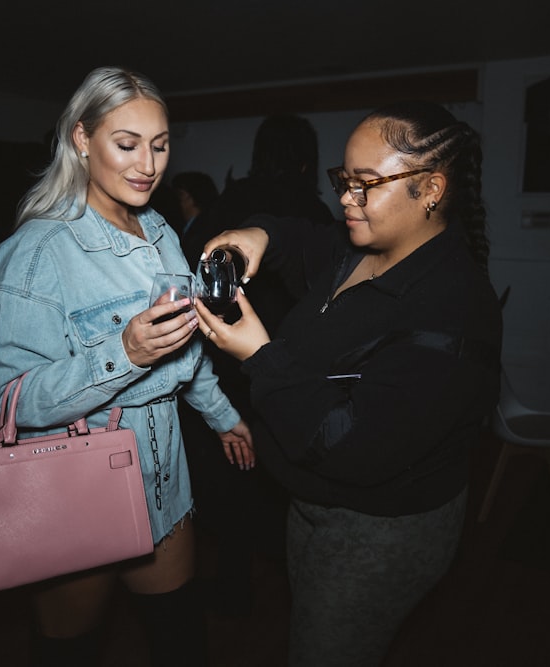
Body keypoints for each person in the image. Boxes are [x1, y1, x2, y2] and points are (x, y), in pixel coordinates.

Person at [192, 101, 503, 666]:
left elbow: (354, 446)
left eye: (366, 184)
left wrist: (260, 357)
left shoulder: (454, 310)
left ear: (431, 189)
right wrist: (257, 234)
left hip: (379, 529)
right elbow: (301, 239)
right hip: (309, 502)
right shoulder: (356, 248)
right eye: (343, 180)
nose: (345, 199)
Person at [0, 66, 254, 667]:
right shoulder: (36, 254)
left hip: (164, 475)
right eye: (126, 144)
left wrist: (222, 415)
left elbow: (186, 344)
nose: (148, 164)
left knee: (181, 638)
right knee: (68, 651)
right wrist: (122, 353)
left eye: (159, 146)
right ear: (82, 139)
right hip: (78, 483)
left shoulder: (159, 230)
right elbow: (16, 402)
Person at [180, 115, 336, 615]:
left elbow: (193, 261)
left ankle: (234, 582)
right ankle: (288, 582)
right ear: (307, 160)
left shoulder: (229, 204)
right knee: (279, 472)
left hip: (223, 358)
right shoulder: (315, 212)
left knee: (231, 474)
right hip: (288, 359)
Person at [171, 170, 219, 264]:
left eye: (180, 194)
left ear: (194, 195)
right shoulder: (180, 227)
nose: (177, 199)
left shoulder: (205, 232)